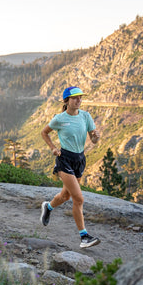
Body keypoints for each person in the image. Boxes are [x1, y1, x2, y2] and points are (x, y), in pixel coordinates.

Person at [40, 86, 101, 248]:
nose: (78, 100)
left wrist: (95, 138)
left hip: (80, 159)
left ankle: (48, 206)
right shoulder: (59, 119)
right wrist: (53, 147)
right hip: (64, 159)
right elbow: (44, 132)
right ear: (66, 101)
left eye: (80, 97)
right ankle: (84, 237)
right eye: (75, 98)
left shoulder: (86, 116)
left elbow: (94, 141)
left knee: (65, 196)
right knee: (78, 198)